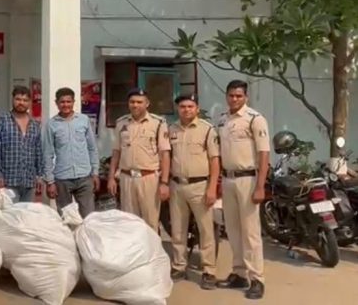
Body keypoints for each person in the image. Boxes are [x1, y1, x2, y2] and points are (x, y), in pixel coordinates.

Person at [216, 80, 269, 300]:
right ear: (227, 96)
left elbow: (264, 154)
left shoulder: (255, 119)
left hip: (248, 180)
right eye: (231, 95)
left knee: (250, 232)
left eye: (239, 96)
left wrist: (260, 186)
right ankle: (239, 273)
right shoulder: (222, 120)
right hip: (228, 179)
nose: (234, 99)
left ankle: (257, 278)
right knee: (233, 230)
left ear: (246, 97)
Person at [168, 94, 220, 290]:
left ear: (197, 109)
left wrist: (212, 188)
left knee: (205, 230)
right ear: (178, 109)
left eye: (190, 106)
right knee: (177, 229)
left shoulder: (207, 130)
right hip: (176, 185)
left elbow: (215, 161)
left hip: (200, 186)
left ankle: (209, 270)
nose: (186, 110)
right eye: (183, 106)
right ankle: (179, 266)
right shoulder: (171, 129)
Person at [107, 88, 171, 231]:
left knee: (151, 222)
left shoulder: (158, 123)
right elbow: (116, 152)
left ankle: (152, 246)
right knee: (129, 222)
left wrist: (164, 182)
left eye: (139, 102)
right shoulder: (121, 123)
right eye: (132, 102)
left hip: (149, 178)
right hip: (127, 178)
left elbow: (165, 154)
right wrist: (111, 177)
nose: (135, 105)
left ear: (147, 103)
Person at [43, 87, 100, 218]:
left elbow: (92, 148)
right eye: (62, 102)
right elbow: (47, 154)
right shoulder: (51, 124)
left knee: (89, 217)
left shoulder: (83, 120)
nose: (66, 105)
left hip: (84, 177)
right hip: (62, 179)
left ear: (74, 102)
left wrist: (95, 173)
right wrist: (50, 181)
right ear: (56, 103)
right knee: (66, 219)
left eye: (68, 101)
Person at [0, 86, 44, 202]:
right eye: (18, 99)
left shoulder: (35, 124)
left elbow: (38, 151)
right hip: (8, 180)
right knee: (10, 212)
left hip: (29, 181)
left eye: (25, 100)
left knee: (26, 212)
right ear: (13, 99)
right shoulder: (1, 120)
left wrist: (40, 176)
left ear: (29, 102)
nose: (21, 103)